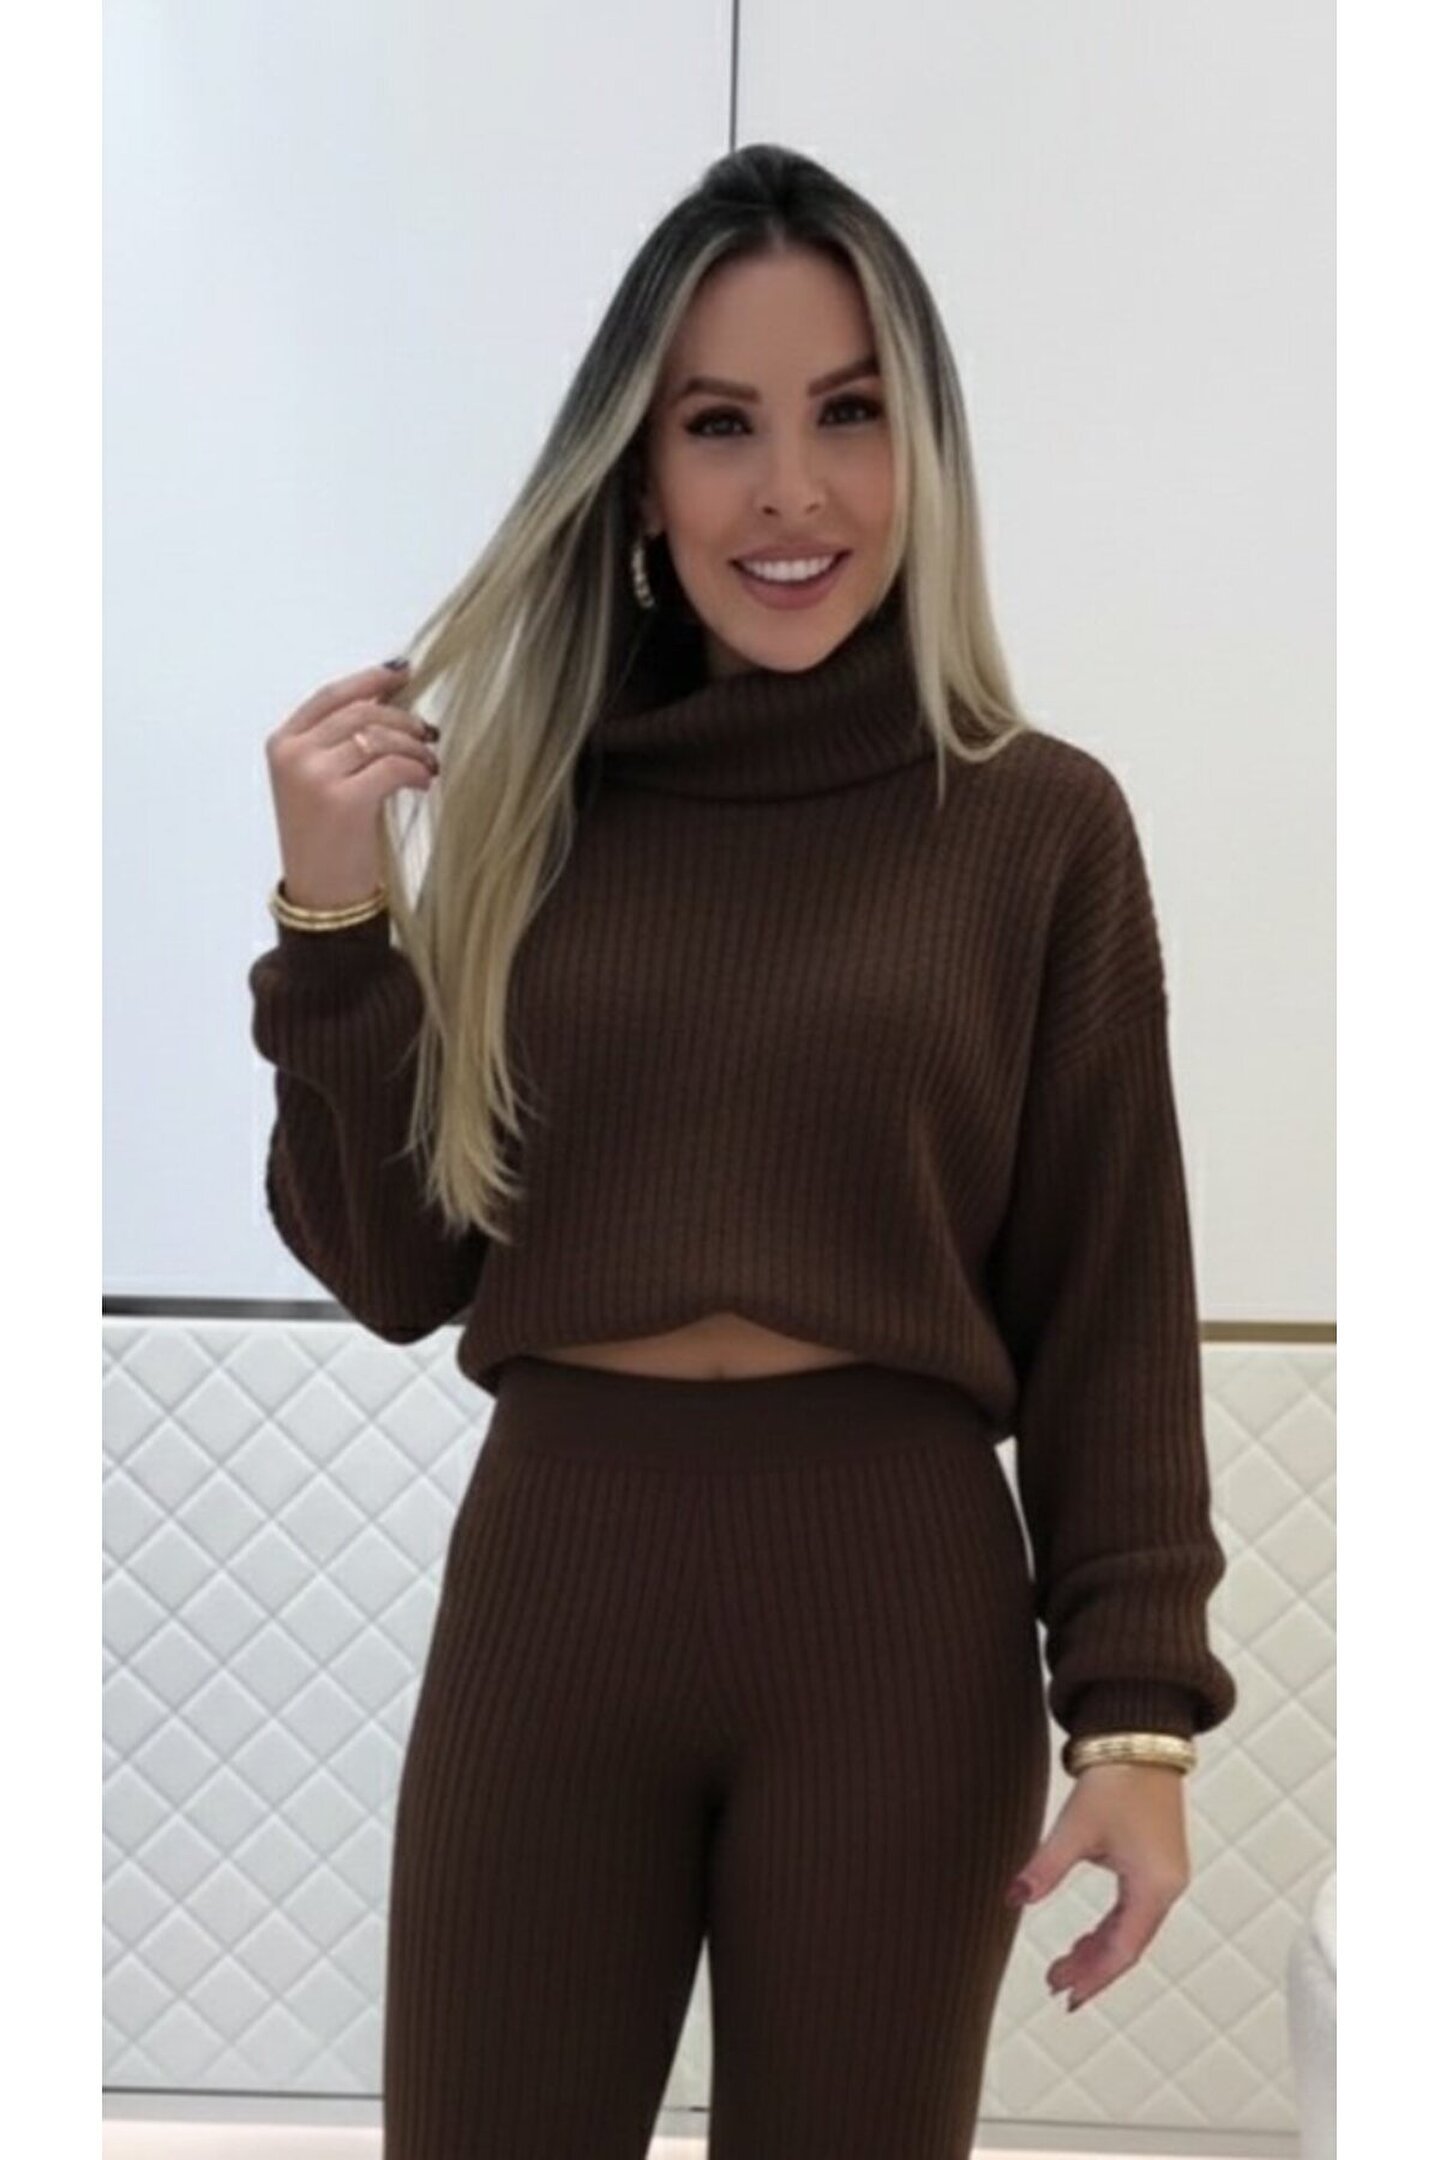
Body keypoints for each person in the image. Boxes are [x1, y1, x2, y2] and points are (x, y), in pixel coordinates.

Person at [249, 143, 1237, 2160]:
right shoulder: (526, 814)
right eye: (721, 427)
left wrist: (1135, 1719)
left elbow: (1112, 1296)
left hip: (893, 1612)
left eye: (848, 413)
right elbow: (399, 1271)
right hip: (556, 1588)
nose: (793, 491)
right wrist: (336, 924)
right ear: (638, 476)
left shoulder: (1037, 828)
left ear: (921, 452)